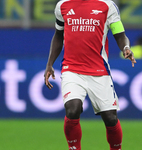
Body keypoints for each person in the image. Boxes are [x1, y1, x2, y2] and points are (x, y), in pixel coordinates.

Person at [44, 0, 136, 150]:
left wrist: (126, 47)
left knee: (110, 118)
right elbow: (58, 36)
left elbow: (120, 35)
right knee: (72, 109)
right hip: (71, 69)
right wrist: (49, 64)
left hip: (99, 71)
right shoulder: (62, 5)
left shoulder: (107, 6)